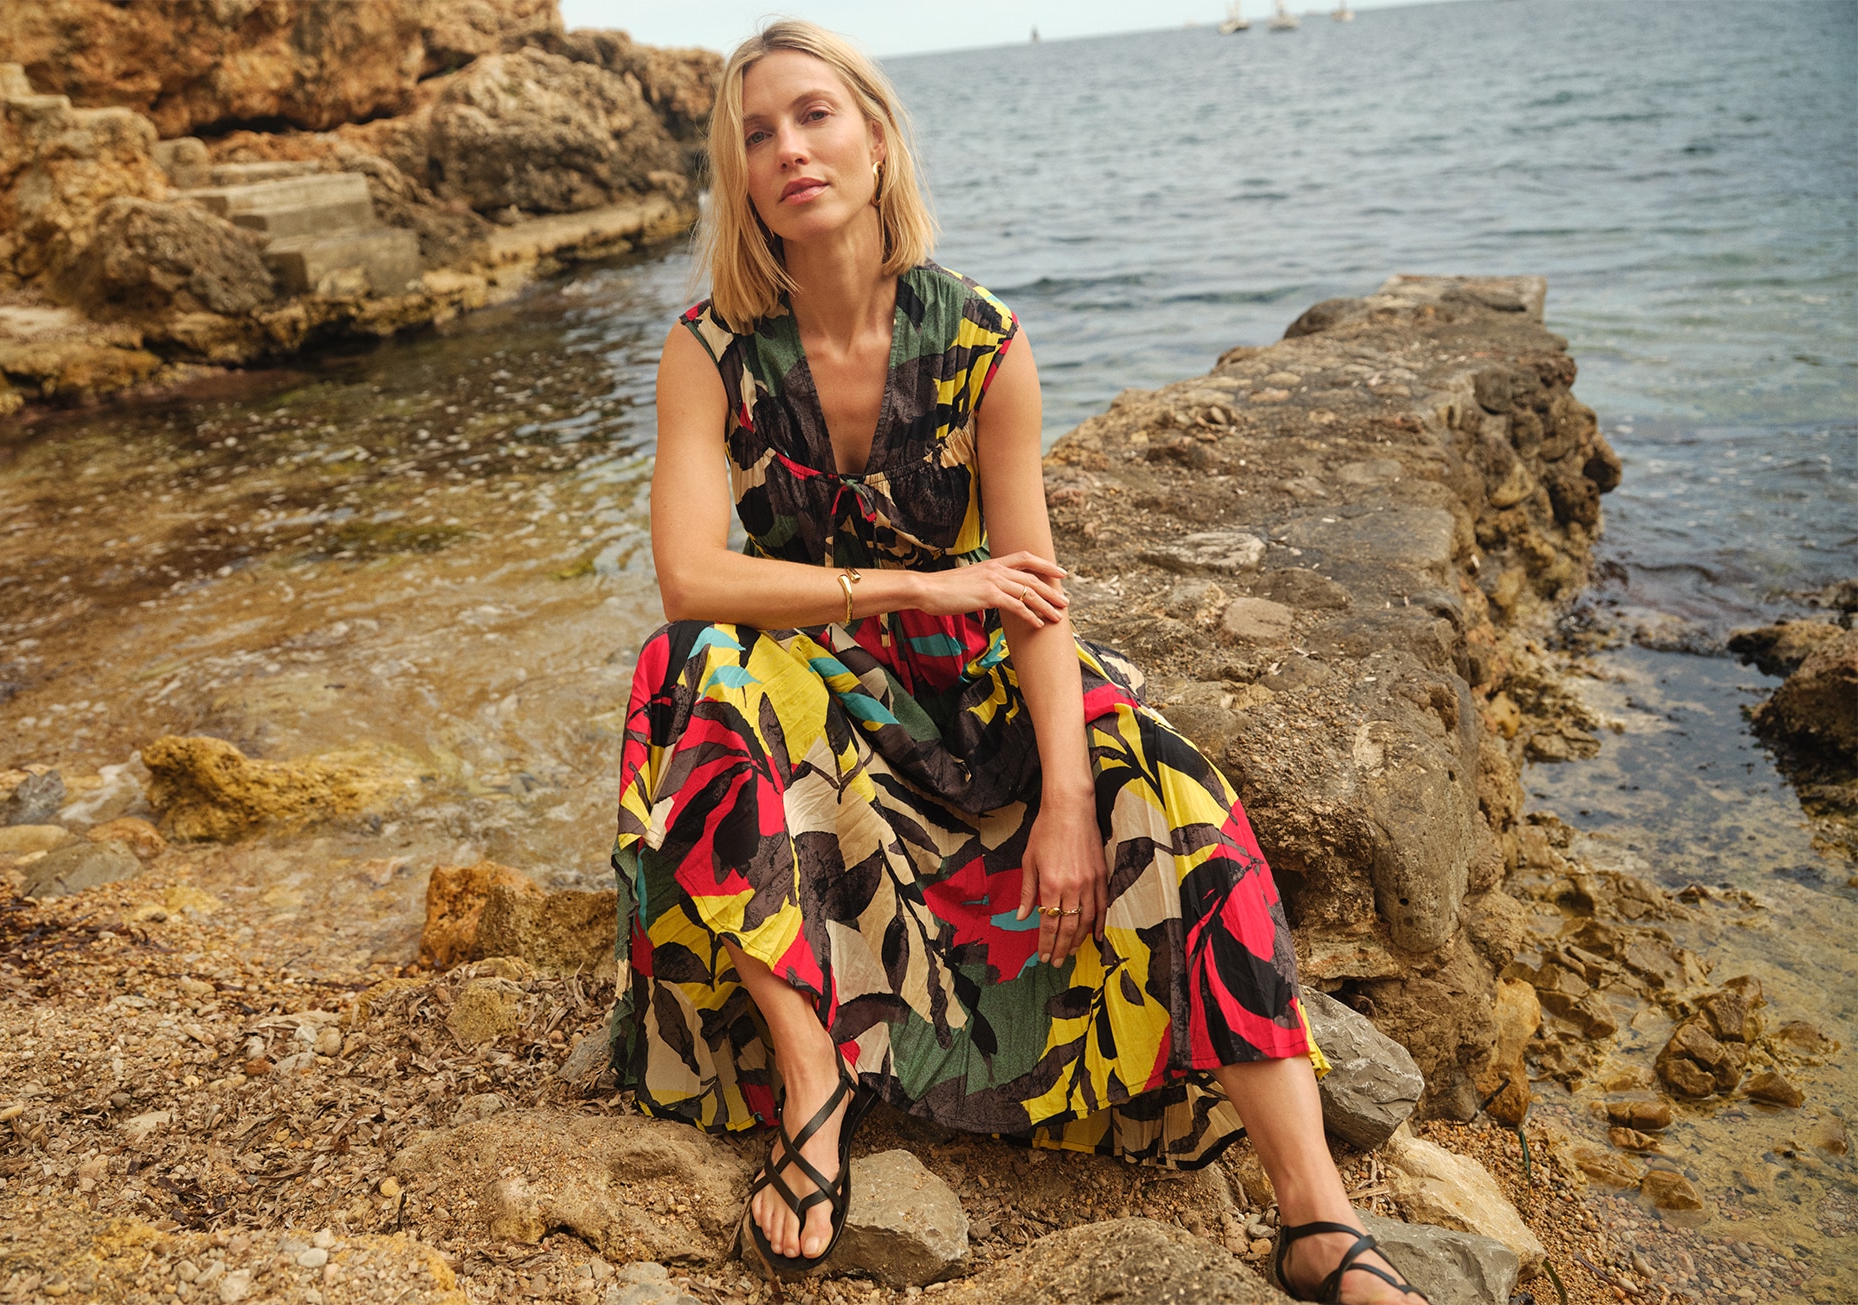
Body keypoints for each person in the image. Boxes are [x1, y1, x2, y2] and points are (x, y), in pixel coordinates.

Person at [604, 20, 1429, 1305]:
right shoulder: (706, 352)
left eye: (814, 115)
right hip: (806, 701)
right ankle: (811, 1084)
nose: (787, 149)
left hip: (966, 698)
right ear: (738, 177)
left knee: (1171, 789)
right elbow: (692, 578)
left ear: (875, 137)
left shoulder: (982, 340)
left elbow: (1034, 599)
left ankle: (1313, 1217)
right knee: (699, 665)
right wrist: (917, 582)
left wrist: (1059, 803)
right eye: (754, 134)